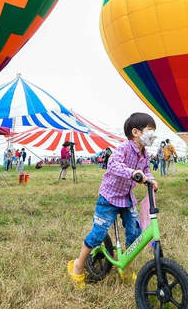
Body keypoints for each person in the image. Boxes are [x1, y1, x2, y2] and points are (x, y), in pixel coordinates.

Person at [67, 112, 159, 289]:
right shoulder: (123, 148)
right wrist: (132, 172)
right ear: (136, 132)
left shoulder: (145, 154)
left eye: (154, 130)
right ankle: (77, 266)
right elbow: (113, 165)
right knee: (98, 234)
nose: (153, 134)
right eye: (150, 130)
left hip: (127, 199)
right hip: (109, 197)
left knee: (134, 234)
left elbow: (146, 170)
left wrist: (151, 178)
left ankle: (126, 267)